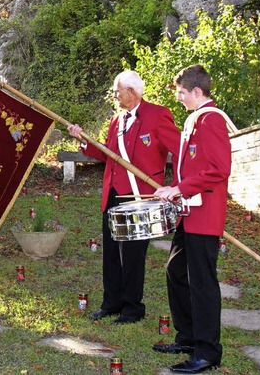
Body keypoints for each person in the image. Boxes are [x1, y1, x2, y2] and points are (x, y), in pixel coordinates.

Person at [67, 70, 180, 324]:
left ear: (132, 92)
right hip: (114, 194)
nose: (115, 95)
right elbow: (109, 154)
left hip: (140, 196)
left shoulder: (157, 114)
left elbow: (180, 151)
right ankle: (112, 303)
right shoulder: (116, 120)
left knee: (132, 255)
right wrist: (83, 141)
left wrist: (176, 186)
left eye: (118, 91)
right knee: (111, 252)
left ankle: (132, 308)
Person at [153, 64, 231, 373]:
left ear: (197, 91)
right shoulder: (195, 120)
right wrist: (177, 190)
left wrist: (179, 188)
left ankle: (207, 352)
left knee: (203, 283)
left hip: (205, 213)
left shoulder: (211, 121)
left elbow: (218, 170)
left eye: (183, 93)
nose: (179, 98)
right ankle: (187, 337)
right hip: (190, 212)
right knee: (175, 270)